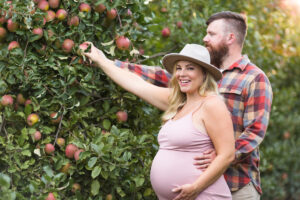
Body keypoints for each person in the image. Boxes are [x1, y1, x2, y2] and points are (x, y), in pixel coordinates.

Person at [112, 11, 273, 199]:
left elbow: (255, 132)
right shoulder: (199, 72)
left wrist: (224, 155)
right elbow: (161, 76)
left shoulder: (254, 78)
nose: (205, 38)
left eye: (211, 34)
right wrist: (113, 65)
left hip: (236, 184)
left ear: (230, 37)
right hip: (195, 186)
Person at [83, 43, 235, 199]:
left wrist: (196, 187)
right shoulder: (177, 102)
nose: (182, 74)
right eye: (179, 68)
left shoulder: (212, 104)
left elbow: (227, 155)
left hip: (203, 195)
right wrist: (101, 60)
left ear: (204, 74)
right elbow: (136, 84)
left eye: (190, 68)